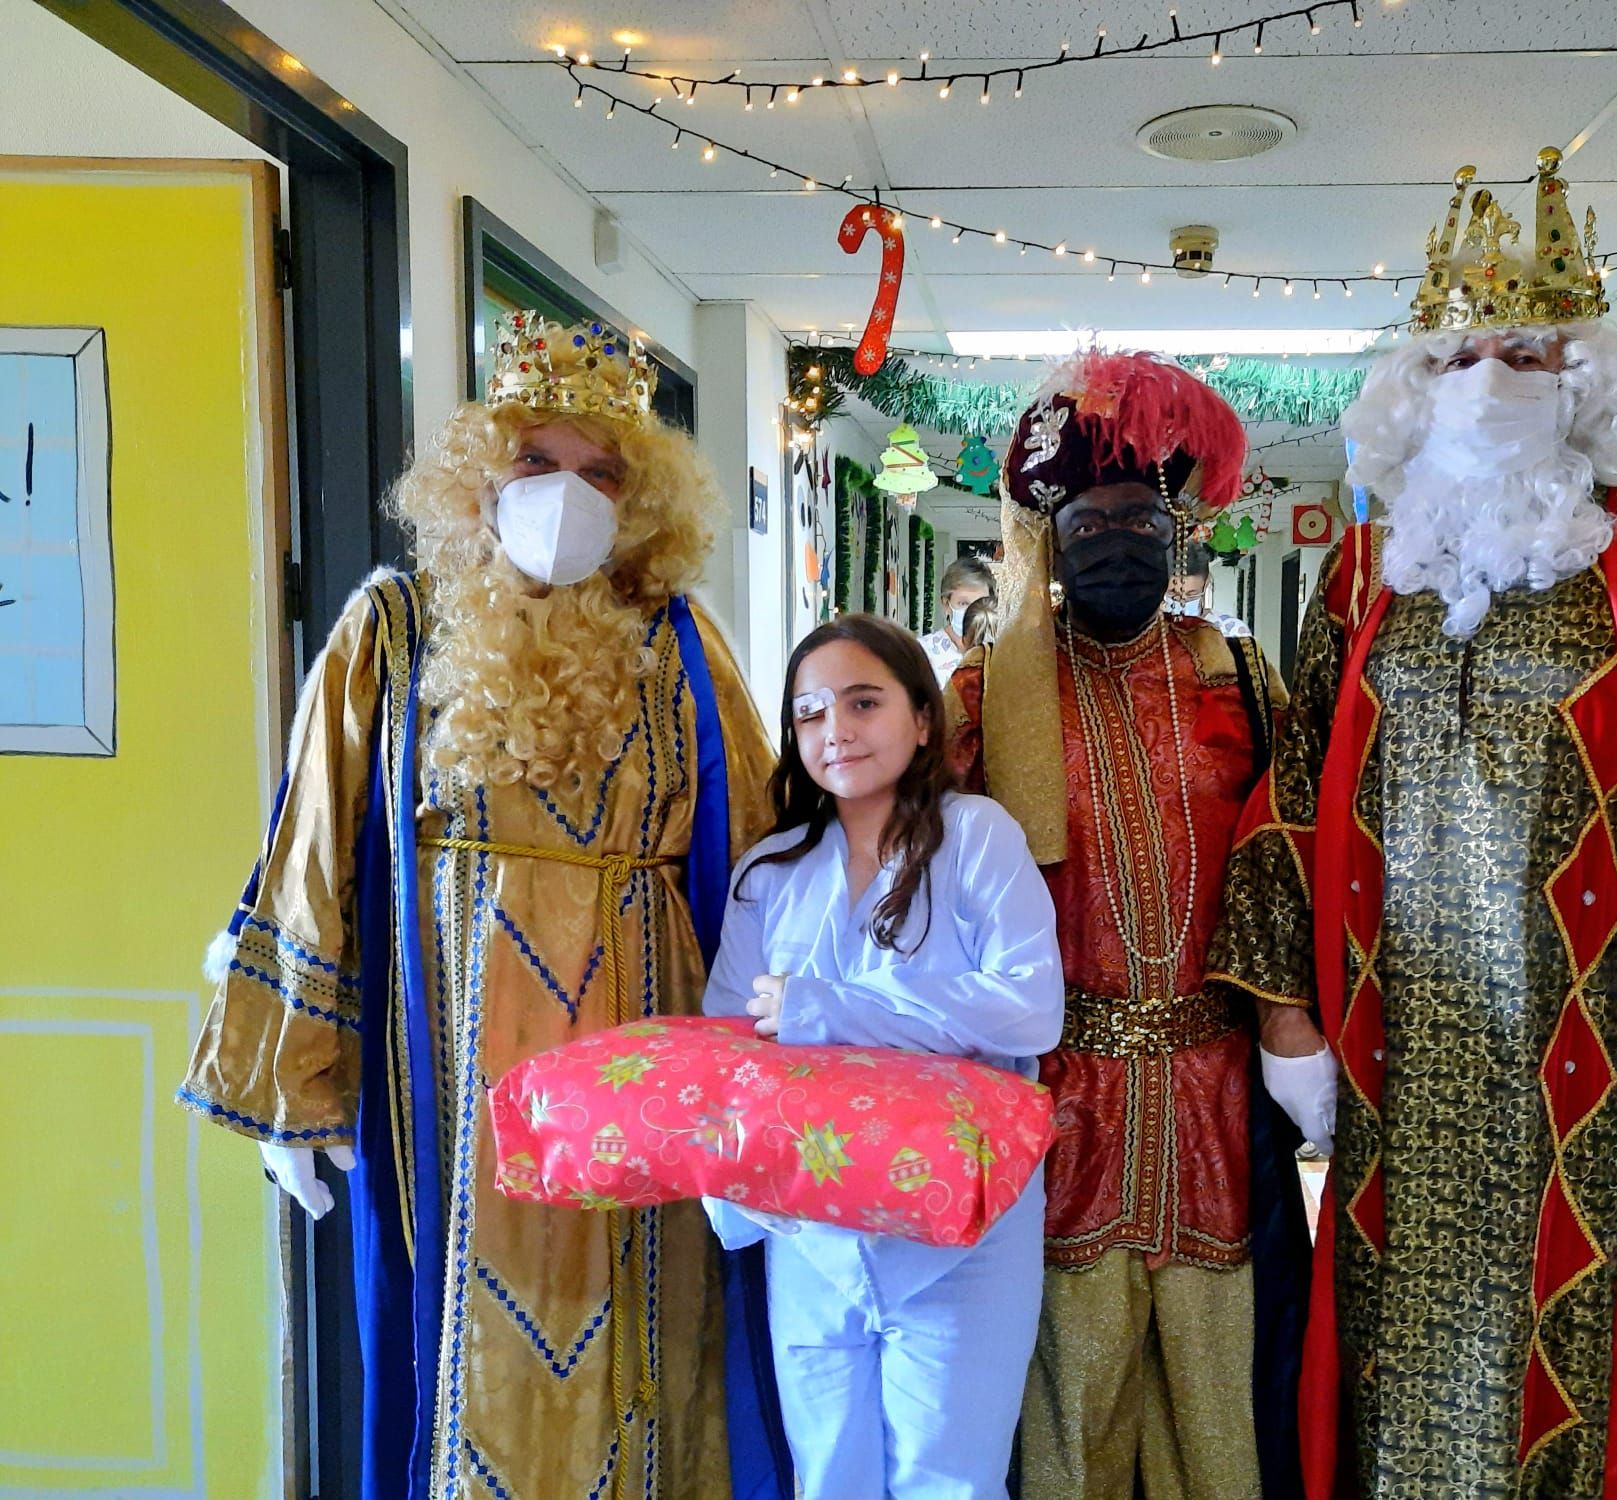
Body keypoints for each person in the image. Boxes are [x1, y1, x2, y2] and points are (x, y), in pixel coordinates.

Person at [1208, 150, 1617, 1499]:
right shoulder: (1363, 570)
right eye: (1462, 355)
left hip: (1590, 1071)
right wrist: (1287, 1019)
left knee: (1579, 1375)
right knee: (1395, 1370)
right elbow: (1285, 794)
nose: (1493, 377)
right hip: (1395, 1067)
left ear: (1584, 374)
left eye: (1527, 348)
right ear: (1417, 385)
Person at [179, 312, 788, 1500]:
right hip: (454, 1057)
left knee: (654, 1338)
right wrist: (298, 1084)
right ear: (479, 480)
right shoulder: (390, 633)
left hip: (646, 1056)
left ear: (643, 498)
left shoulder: (681, 643)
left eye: (600, 473)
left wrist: (783, 1058)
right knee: (474, 1331)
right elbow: (314, 859)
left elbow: (759, 853)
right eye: (537, 466)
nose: (567, 495)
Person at [945, 349, 1310, 1500]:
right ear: (1050, 538)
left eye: (1139, 516)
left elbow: (1300, 859)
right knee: (1071, 1393)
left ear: (1176, 529)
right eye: (1091, 517)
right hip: (1061, 1092)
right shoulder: (983, 696)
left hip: (1218, 1088)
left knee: (1221, 1391)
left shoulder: (1237, 680)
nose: (1117, 537)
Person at [702, 614, 1063, 1500]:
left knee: (953, 1480)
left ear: (923, 718)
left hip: (962, 1233)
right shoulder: (770, 873)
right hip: (813, 1233)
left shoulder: (978, 838)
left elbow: (1028, 1011)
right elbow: (729, 1045)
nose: (836, 731)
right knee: (827, 1477)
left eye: (864, 702)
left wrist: (827, 1010)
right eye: (810, 713)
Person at [920, 555, 999, 686]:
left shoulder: (1001, 652)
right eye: (963, 603)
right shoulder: (922, 653)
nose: (972, 611)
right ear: (946, 604)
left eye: (980, 603)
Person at [1166, 540, 1251, 638]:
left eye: (1191, 594)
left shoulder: (1233, 632)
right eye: (1173, 593)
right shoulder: (1150, 631)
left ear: (1206, 583)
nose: (1182, 601)